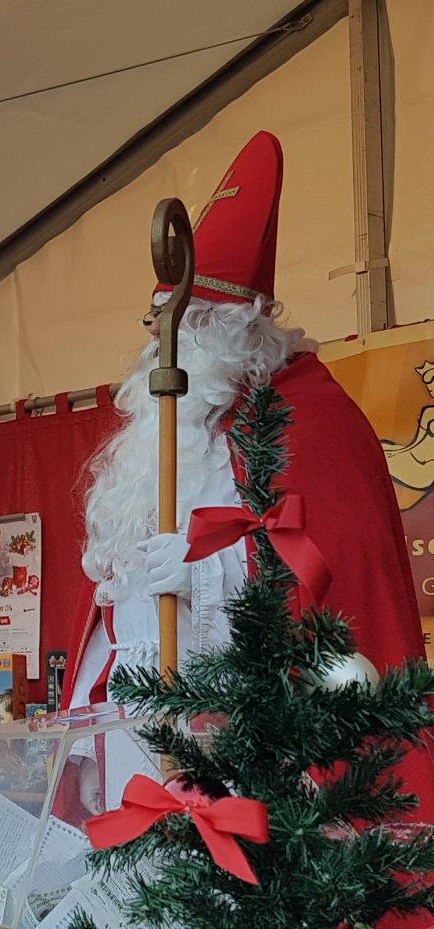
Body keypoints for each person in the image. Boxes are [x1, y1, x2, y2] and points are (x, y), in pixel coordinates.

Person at [61, 131, 433, 810]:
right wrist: (85, 741)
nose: (159, 339)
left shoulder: (311, 420)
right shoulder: (157, 436)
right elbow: (114, 619)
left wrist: (207, 572)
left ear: (241, 326)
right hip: (134, 730)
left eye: (187, 322)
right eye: (157, 321)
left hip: (246, 741)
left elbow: (328, 579)